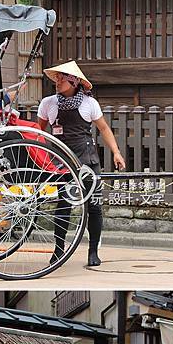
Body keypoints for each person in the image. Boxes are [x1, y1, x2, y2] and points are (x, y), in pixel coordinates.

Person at [38, 61, 126, 267]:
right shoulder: (48, 103)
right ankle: (58, 250)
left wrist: (116, 152)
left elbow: (103, 129)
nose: (57, 82)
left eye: (62, 78)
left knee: (94, 205)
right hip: (61, 160)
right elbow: (39, 132)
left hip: (87, 159)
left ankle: (93, 251)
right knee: (63, 204)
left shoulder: (89, 103)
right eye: (57, 78)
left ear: (74, 81)